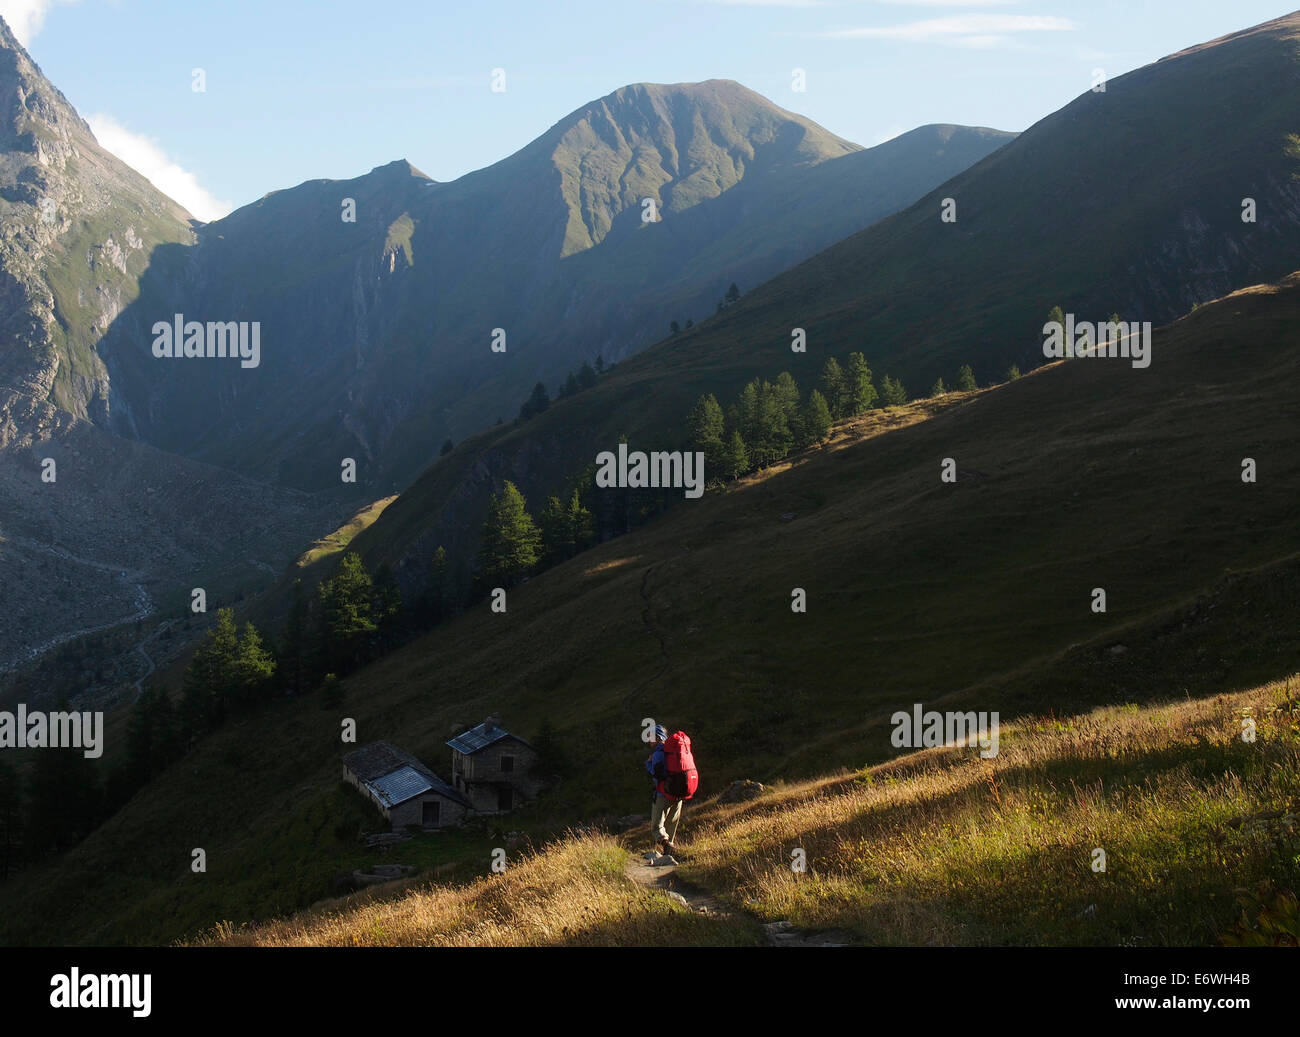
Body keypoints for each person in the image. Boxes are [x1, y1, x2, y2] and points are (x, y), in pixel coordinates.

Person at [645, 725, 682, 858]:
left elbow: (658, 774)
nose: (649, 740)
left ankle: (667, 848)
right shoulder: (674, 750)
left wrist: (649, 763)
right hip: (678, 794)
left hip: (662, 794)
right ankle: (669, 852)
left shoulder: (658, 753)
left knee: (656, 826)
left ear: (658, 737)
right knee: (671, 824)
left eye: (651, 736)